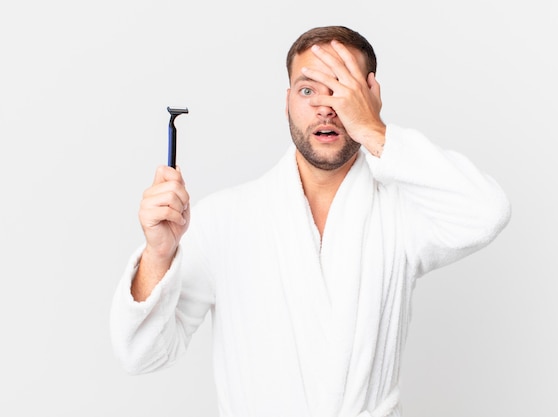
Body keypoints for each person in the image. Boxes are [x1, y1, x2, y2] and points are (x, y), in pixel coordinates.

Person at [110, 25, 511, 417]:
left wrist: (374, 130)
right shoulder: (224, 220)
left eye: (341, 88)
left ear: (371, 97)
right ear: (286, 101)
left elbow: (486, 212)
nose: (324, 106)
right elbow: (142, 354)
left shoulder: (403, 214)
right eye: (307, 90)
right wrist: (159, 255)